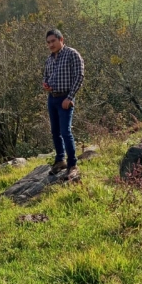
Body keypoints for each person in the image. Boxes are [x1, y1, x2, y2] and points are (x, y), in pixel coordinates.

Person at [43, 29, 85, 180]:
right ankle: (60, 160)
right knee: (55, 131)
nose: (51, 45)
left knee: (65, 131)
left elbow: (79, 76)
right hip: (52, 98)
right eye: (48, 42)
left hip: (65, 98)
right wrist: (46, 85)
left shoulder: (72, 54)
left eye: (53, 41)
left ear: (61, 39)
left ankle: (72, 164)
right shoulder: (49, 59)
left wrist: (70, 97)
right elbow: (46, 77)